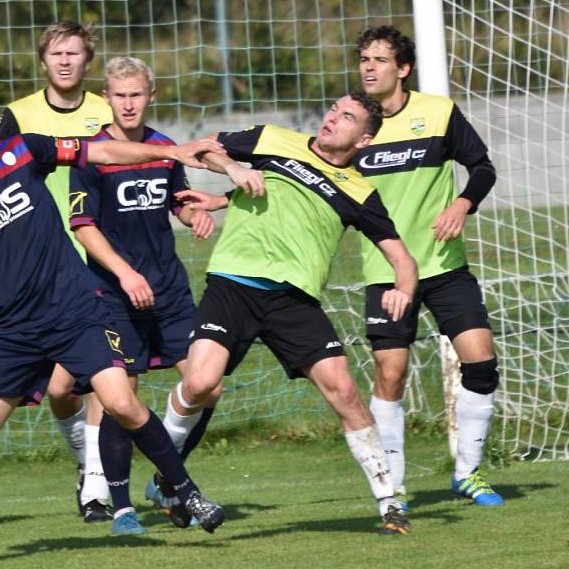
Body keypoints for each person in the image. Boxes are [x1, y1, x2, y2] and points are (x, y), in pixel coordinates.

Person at [0, 83, 226, 568]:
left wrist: (173, 150)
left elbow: (100, 149)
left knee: (122, 402)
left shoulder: (20, 149)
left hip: (75, 310)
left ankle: (185, 491)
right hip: (17, 329)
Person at [162, 89, 418, 535]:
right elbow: (199, 149)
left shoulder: (361, 192)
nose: (333, 118)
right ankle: (167, 473)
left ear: (364, 140)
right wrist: (234, 169)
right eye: (334, 110)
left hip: (294, 302)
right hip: (233, 284)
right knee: (200, 382)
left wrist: (402, 290)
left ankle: (389, 502)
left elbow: (403, 259)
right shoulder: (272, 139)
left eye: (348, 117)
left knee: (345, 392)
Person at [68, 57, 220, 535]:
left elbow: (177, 200)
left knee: (207, 384)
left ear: (150, 96)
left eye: (136, 94)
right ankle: (120, 508)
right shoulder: (93, 153)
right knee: (120, 396)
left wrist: (194, 215)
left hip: (169, 290)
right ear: (107, 98)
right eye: (119, 95)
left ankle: (166, 476)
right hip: (115, 293)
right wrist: (124, 273)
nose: (128, 103)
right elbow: (83, 226)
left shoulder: (164, 148)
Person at [353, 25, 502, 508]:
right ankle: (393, 485)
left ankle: (468, 472)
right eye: (363, 60)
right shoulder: (355, 123)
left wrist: (462, 204)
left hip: (443, 265)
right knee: (391, 373)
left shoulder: (437, 113)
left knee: (481, 361)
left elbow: (483, 167)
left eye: (379, 60)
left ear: (403, 68)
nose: (369, 68)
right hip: (388, 272)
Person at [0, 20, 114, 520]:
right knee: (60, 389)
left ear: (88, 60)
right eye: (56, 54)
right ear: (43, 61)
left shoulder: (108, 111)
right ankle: (86, 462)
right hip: (40, 271)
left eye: (75, 53)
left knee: (105, 379)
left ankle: (98, 486)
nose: (65, 61)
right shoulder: (18, 116)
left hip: (99, 260)